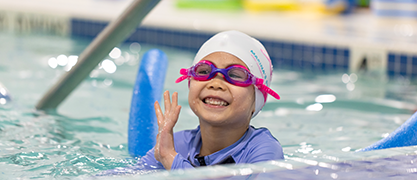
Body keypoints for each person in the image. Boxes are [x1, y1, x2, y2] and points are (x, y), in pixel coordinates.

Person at [141, 30, 284, 170]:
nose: (215, 83)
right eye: (203, 71)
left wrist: (169, 159)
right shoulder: (176, 144)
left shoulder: (264, 152)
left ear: (256, 99)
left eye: (235, 75)